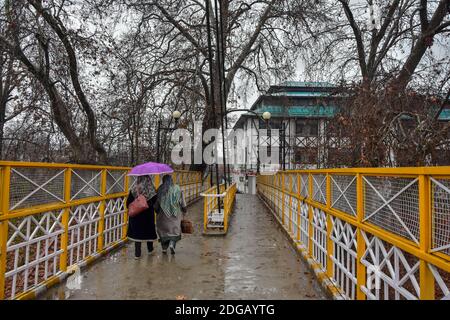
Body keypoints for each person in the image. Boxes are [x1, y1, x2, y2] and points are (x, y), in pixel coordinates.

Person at [126, 175, 158, 259]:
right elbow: (155, 202)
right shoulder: (152, 190)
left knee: (137, 234)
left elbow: (127, 203)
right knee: (148, 232)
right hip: (148, 216)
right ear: (148, 180)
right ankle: (150, 250)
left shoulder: (134, 189)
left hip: (136, 216)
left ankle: (137, 254)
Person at [155, 174, 187, 254]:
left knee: (163, 231)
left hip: (162, 215)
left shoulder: (160, 189)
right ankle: (172, 244)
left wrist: (156, 210)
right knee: (174, 230)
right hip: (175, 214)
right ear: (171, 180)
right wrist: (184, 209)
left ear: (163, 180)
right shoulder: (177, 188)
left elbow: (156, 203)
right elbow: (182, 201)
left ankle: (164, 248)